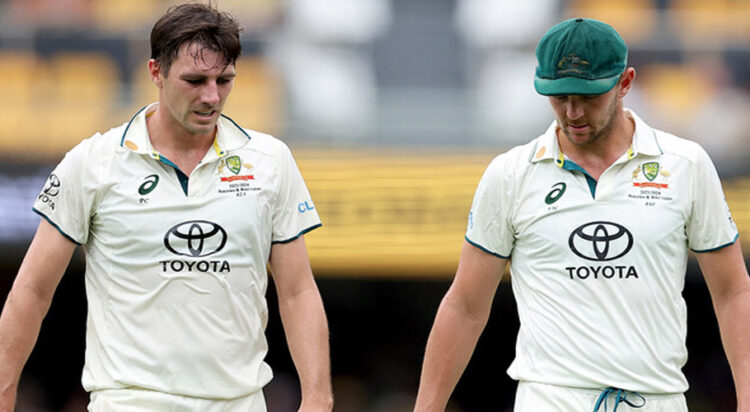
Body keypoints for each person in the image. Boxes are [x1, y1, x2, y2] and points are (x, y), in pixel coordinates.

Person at [0, 3, 333, 411]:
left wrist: (318, 397)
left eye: (224, 80)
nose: (212, 96)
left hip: (239, 404)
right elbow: (32, 291)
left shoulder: (270, 160)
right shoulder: (94, 162)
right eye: (195, 80)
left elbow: (297, 291)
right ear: (155, 72)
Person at [414, 17, 750, 412]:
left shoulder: (686, 164)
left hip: (658, 398)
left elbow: (733, 292)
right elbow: (465, 306)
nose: (572, 112)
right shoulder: (510, 173)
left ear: (625, 83)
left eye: (588, 96)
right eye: (559, 96)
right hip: (549, 398)